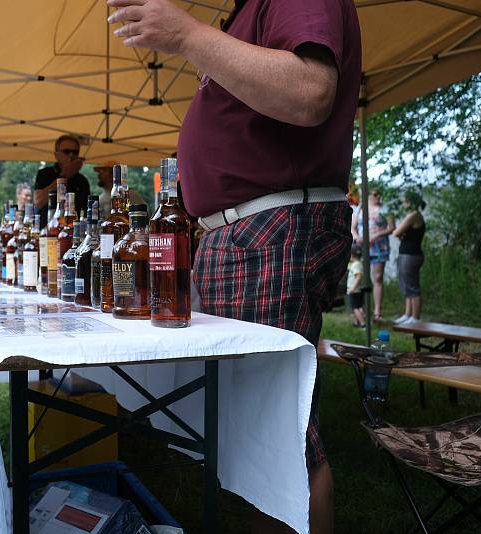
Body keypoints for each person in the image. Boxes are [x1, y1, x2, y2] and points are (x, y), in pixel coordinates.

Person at [108, 1, 360, 532]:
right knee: (250, 428)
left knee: (273, 433)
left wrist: (187, 36)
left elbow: (310, 90)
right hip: (245, 229)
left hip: (269, 224)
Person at [351, 189, 395, 321]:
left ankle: (377, 312)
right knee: (360, 277)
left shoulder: (385, 209)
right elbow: (353, 227)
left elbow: (392, 227)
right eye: (375, 194)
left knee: (377, 277)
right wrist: (357, 236)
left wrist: (377, 234)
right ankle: (360, 309)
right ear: (368, 194)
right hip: (362, 248)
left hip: (379, 247)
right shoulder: (359, 209)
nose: (378, 196)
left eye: (379, 194)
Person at [33, 135, 90, 223]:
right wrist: (65, 175)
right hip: (48, 229)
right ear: (56, 155)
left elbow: (86, 211)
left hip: (74, 231)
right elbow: (38, 202)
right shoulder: (45, 174)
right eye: (66, 151)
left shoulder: (82, 181)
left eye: (75, 152)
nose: (71, 155)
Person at [393, 191, 426, 325]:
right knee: (406, 285)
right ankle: (408, 314)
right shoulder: (413, 216)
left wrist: (400, 232)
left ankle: (415, 317)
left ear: (412, 202)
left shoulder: (413, 215)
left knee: (412, 286)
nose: (404, 203)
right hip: (407, 254)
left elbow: (396, 232)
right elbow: (400, 233)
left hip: (411, 255)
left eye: (406, 200)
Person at [347, 247, 366, 328]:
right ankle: (356, 322)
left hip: (354, 291)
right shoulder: (358, 263)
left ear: (351, 255)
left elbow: (358, 277)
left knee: (355, 308)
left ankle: (362, 324)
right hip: (359, 290)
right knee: (358, 306)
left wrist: (353, 288)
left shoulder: (355, 265)